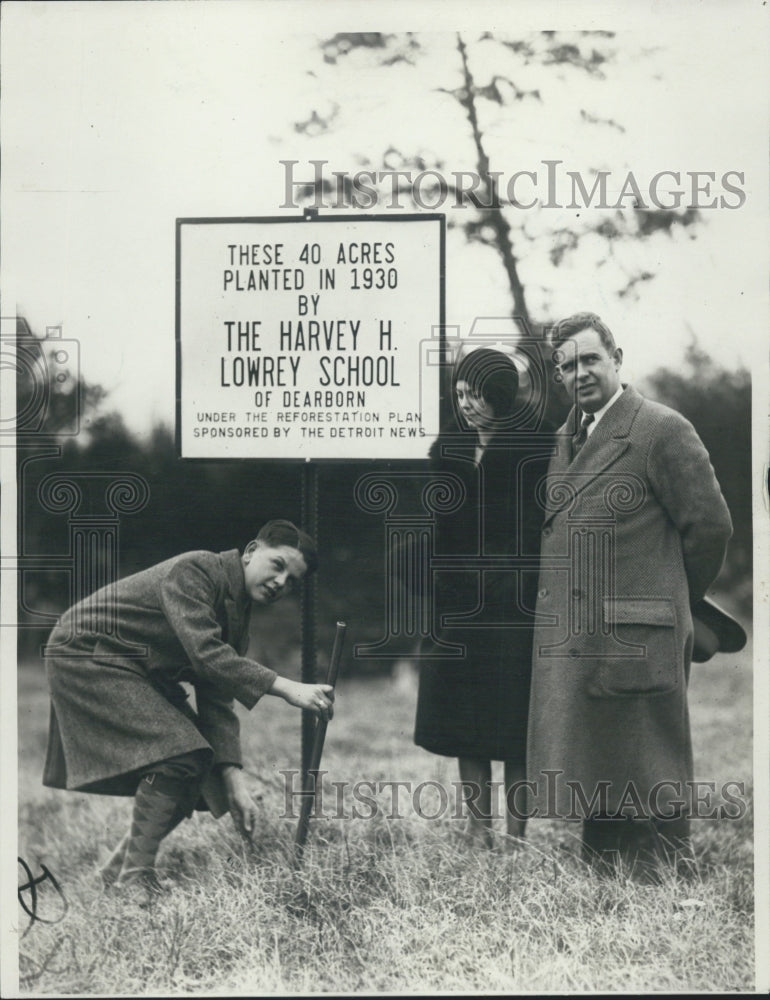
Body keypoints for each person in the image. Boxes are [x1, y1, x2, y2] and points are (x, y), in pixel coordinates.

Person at [527, 313, 733, 879]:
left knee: (650, 755)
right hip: (585, 631)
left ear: (617, 357)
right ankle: (607, 871)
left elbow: (710, 527)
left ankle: (662, 876)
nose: (580, 373)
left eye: (590, 359)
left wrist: (671, 598)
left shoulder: (661, 428)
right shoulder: (566, 437)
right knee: (600, 753)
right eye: (567, 366)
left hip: (641, 629)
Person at [43, 519, 334, 901]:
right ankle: (135, 880)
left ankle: (117, 872)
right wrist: (286, 687)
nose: (281, 583)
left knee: (201, 768)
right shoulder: (196, 570)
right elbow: (208, 656)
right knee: (181, 754)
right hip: (87, 652)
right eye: (277, 565)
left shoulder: (238, 612)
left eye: (292, 582)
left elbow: (217, 695)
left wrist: (234, 783)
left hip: (133, 667)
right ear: (250, 552)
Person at [414, 348, 553, 845]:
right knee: (462, 719)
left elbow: (542, 528)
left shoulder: (538, 448)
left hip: (517, 604)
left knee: (515, 723)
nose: (466, 403)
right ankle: (478, 829)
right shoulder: (446, 450)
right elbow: (437, 531)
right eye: (459, 393)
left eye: (475, 394)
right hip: (457, 604)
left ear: (500, 396)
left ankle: (516, 835)